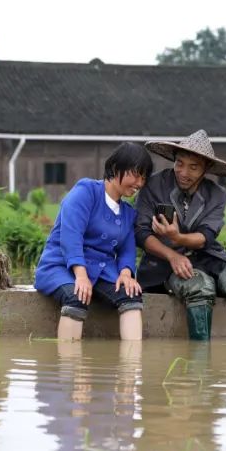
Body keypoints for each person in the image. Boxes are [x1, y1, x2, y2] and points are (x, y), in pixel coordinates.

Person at [134, 130, 226, 341]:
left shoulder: (217, 194)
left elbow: (206, 236)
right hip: (163, 262)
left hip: (208, 257)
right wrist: (173, 254)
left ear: (206, 169)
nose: (184, 172)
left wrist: (177, 237)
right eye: (180, 163)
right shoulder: (153, 186)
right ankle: (199, 364)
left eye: (193, 167)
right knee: (199, 287)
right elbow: (141, 233)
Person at [34, 141, 153, 341]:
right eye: (135, 174)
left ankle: (131, 368)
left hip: (101, 271)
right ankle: (71, 367)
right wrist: (80, 275)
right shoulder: (86, 191)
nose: (139, 183)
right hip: (61, 266)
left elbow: (127, 249)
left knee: (131, 295)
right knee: (76, 295)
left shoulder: (127, 213)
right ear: (116, 168)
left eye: (143, 177)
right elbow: (71, 236)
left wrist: (125, 273)